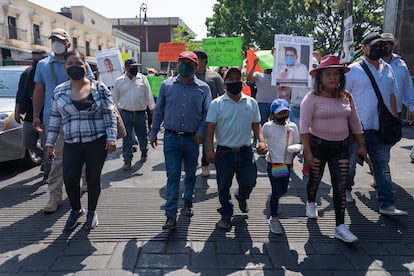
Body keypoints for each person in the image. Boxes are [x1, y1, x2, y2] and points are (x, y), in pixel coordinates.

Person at [45, 50, 117, 230]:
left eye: (78, 64)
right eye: (70, 64)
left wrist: (111, 137)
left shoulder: (99, 88)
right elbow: (55, 119)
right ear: (65, 67)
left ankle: (92, 212)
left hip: (96, 143)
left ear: (85, 66)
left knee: (93, 179)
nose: (74, 67)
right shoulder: (59, 91)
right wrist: (49, 144)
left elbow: (109, 115)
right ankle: (76, 210)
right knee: (70, 179)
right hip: (71, 144)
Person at [301, 55, 366, 243]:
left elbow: (355, 122)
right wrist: (307, 152)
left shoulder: (347, 96)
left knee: (340, 185)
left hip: (341, 147)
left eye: (336, 74)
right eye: (328, 74)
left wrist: (362, 144)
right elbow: (304, 126)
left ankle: (340, 226)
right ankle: (311, 202)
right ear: (320, 77)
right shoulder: (311, 98)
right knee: (315, 179)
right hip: (317, 146)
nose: (333, 78)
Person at [345, 32, 407, 216]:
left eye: (382, 45)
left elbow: (393, 95)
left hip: (381, 128)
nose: (379, 48)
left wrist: (394, 120)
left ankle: (387, 204)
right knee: (349, 165)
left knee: (382, 166)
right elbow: (343, 97)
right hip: (358, 128)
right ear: (364, 48)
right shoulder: (353, 70)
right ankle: (346, 189)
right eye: (374, 45)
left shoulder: (388, 69)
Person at [149, 51, 211, 231]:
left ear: (196, 66)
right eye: (182, 62)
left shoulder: (203, 88)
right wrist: (153, 133)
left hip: (193, 139)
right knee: (173, 175)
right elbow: (158, 110)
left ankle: (188, 200)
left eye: (189, 63)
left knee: (191, 174)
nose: (185, 66)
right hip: (171, 138)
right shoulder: (166, 86)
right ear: (177, 65)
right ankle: (170, 214)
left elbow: (208, 113)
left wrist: (201, 131)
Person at [32, 28, 92, 213]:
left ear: (68, 43)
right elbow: (39, 90)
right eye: (53, 40)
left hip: (79, 117)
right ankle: (54, 195)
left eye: (59, 40)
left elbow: (91, 87)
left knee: (81, 154)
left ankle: (84, 181)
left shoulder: (80, 63)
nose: (56, 43)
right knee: (55, 158)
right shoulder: (42, 65)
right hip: (53, 118)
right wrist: (36, 115)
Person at [206, 67, 266, 231]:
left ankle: (241, 196)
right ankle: (226, 214)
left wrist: (261, 141)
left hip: (246, 152)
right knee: (223, 186)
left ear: (242, 80)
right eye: (230, 79)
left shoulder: (251, 102)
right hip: (224, 153)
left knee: (250, 181)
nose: (234, 82)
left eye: (237, 78)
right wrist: (209, 150)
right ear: (224, 85)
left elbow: (256, 125)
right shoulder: (216, 104)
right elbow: (210, 129)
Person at [261, 99, 300, 234]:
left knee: (282, 190)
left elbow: (297, 144)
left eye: (285, 112)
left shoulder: (293, 127)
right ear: (272, 114)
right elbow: (262, 140)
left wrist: (295, 151)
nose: (283, 115)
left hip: (286, 165)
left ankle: (273, 198)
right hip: (273, 164)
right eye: (279, 113)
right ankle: (273, 217)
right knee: (277, 190)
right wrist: (263, 148)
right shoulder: (267, 126)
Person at [113, 58, 155, 170]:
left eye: (137, 66)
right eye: (133, 67)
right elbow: (114, 99)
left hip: (141, 113)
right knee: (127, 139)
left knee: (142, 136)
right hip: (125, 114)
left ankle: (144, 151)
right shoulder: (119, 81)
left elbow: (148, 95)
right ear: (126, 68)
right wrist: (113, 113)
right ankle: (127, 160)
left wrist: (152, 109)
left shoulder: (143, 79)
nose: (135, 69)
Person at [14, 49, 49, 182]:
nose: (35, 63)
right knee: (27, 142)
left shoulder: (47, 72)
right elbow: (19, 92)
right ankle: (43, 156)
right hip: (30, 113)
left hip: (46, 114)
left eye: (38, 60)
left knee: (47, 144)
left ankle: (48, 171)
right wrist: (17, 110)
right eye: (33, 60)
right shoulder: (27, 73)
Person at [381, 33, 414, 163]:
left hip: (396, 112)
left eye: (388, 43)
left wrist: (412, 107)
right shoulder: (372, 63)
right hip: (376, 112)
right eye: (382, 43)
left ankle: (378, 164)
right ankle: (379, 167)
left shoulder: (401, 64)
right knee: (378, 146)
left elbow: (407, 87)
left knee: (390, 141)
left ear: (393, 45)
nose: (385, 46)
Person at [194, 50, 225, 177]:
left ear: (203, 61)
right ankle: (192, 164)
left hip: (210, 115)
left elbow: (222, 95)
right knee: (193, 141)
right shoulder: (190, 76)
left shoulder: (215, 77)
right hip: (193, 115)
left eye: (196, 59)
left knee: (208, 142)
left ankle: (205, 164)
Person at [247, 56, 277, 127]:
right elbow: (249, 78)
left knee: (275, 125)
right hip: (262, 103)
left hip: (274, 103)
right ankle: (261, 137)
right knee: (262, 124)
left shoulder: (277, 75)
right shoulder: (258, 75)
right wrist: (254, 65)